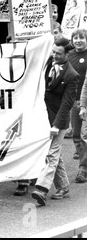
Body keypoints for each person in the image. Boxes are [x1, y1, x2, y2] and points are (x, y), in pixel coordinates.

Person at [31, 38, 78, 206]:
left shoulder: (72, 75)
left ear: (67, 54)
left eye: (58, 53)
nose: (54, 55)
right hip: (44, 115)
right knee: (55, 154)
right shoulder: (49, 60)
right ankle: (63, 187)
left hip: (59, 120)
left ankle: (41, 189)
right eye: (53, 52)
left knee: (51, 154)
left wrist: (57, 125)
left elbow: (67, 104)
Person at [68, 29, 87, 163]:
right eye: (75, 38)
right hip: (73, 99)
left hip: (86, 98)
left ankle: (83, 167)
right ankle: (80, 151)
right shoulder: (68, 55)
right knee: (76, 133)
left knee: (84, 134)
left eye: (82, 37)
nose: (78, 40)